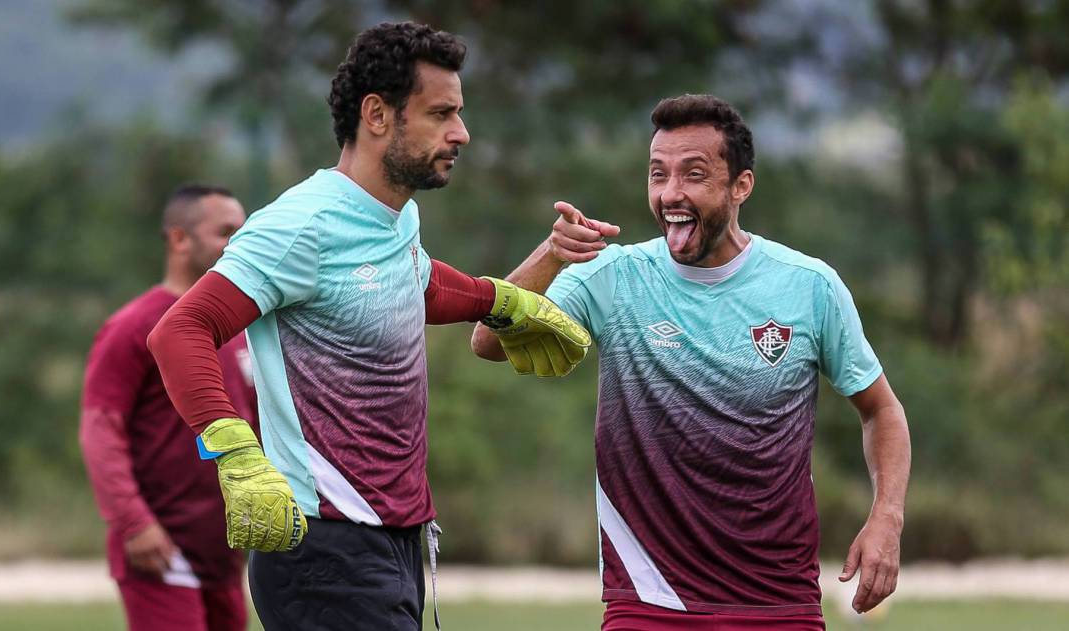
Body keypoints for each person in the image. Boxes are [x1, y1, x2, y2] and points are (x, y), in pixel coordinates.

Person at [146, 21, 589, 631]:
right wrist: (236, 455)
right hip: (323, 548)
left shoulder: (393, 218)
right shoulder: (301, 225)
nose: (461, 133)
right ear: (377, 115)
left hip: (395, 541)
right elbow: (181, 330)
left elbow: (414, 282)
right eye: (441, 114)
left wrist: (502, 302)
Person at [471, 94, 912, 631]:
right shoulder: (613, 276)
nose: (671, 193)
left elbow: (880, 409)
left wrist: (886, 518)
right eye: (658, 175)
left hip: (778, 601)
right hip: (647, 600)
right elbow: (488, 343)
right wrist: (552, 253)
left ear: (740, 186)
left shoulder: (808, 286)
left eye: (694, 175)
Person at [79, 184, 256, 631]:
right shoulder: (134, 325)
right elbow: (101, 432)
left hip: (226, 552)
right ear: (180, 240)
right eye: (226, 231)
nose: (240, 243)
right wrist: (134, 523)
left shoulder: (241, 327)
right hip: (163, 549)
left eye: (244, 231)